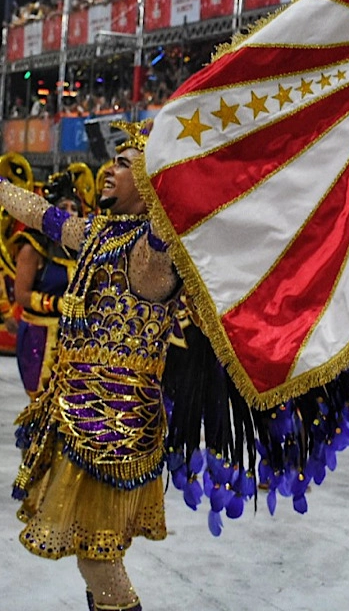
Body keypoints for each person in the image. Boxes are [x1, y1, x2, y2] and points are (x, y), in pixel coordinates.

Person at [5, 121, 181, 611]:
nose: (110, 168)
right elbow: (41, 214)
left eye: (125, 164)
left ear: (149, 183)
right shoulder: (100, 232)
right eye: (114, 159)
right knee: (93, 555)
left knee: (99, 559)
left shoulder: (153, 251)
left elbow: (171, 222)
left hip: (115, 425)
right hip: (77, 408)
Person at [13, 172, 81, 399]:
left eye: (74, 208)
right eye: (64, 207)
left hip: (74, 339)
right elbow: (21, 295)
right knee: (42, 404)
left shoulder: (83, 249)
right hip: (39, 337)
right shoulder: (33, 247)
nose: (69, 213)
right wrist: (58, 304)